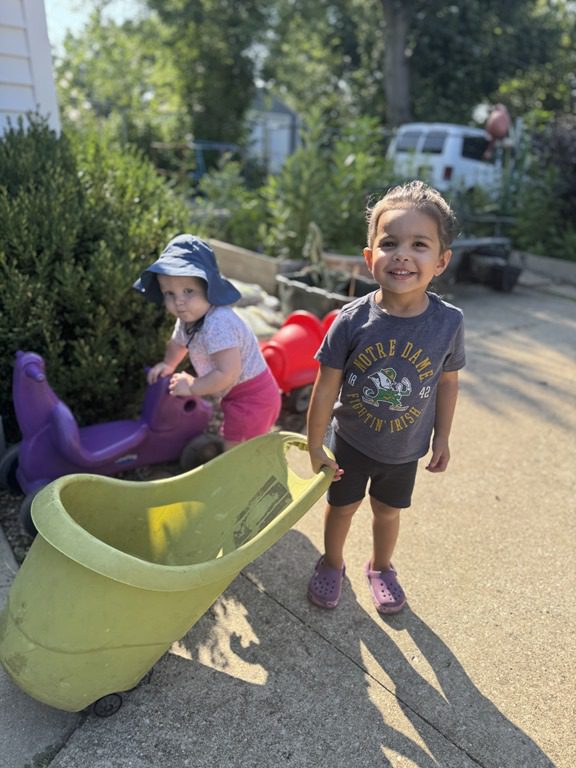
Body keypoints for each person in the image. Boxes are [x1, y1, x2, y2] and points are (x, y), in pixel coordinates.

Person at [306, 180, 465, 614]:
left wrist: (442, 437)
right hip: (350, 444)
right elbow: (326, 385)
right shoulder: (351, 320)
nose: (402, 255)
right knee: (342, 508)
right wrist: (315, 444)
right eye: (390, 243)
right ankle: (331, 562)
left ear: (441, 261)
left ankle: (381, 567)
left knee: (388, 512)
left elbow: (448, 381)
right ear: (369, 256)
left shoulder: (448, 323)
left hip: (405, 449)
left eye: (419, 245)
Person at [134, 234, 281, 450]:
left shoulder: (218, 323)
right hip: (236, 394)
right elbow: (178, 343)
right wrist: (169, 364)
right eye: (169, 293)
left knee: (237, 450)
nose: (179, 301)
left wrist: (192, 387)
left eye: (188, 291)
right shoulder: (189, 318)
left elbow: (227, 373)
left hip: (252, 399)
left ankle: (241, 471)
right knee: (241, 443)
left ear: (209, 288)